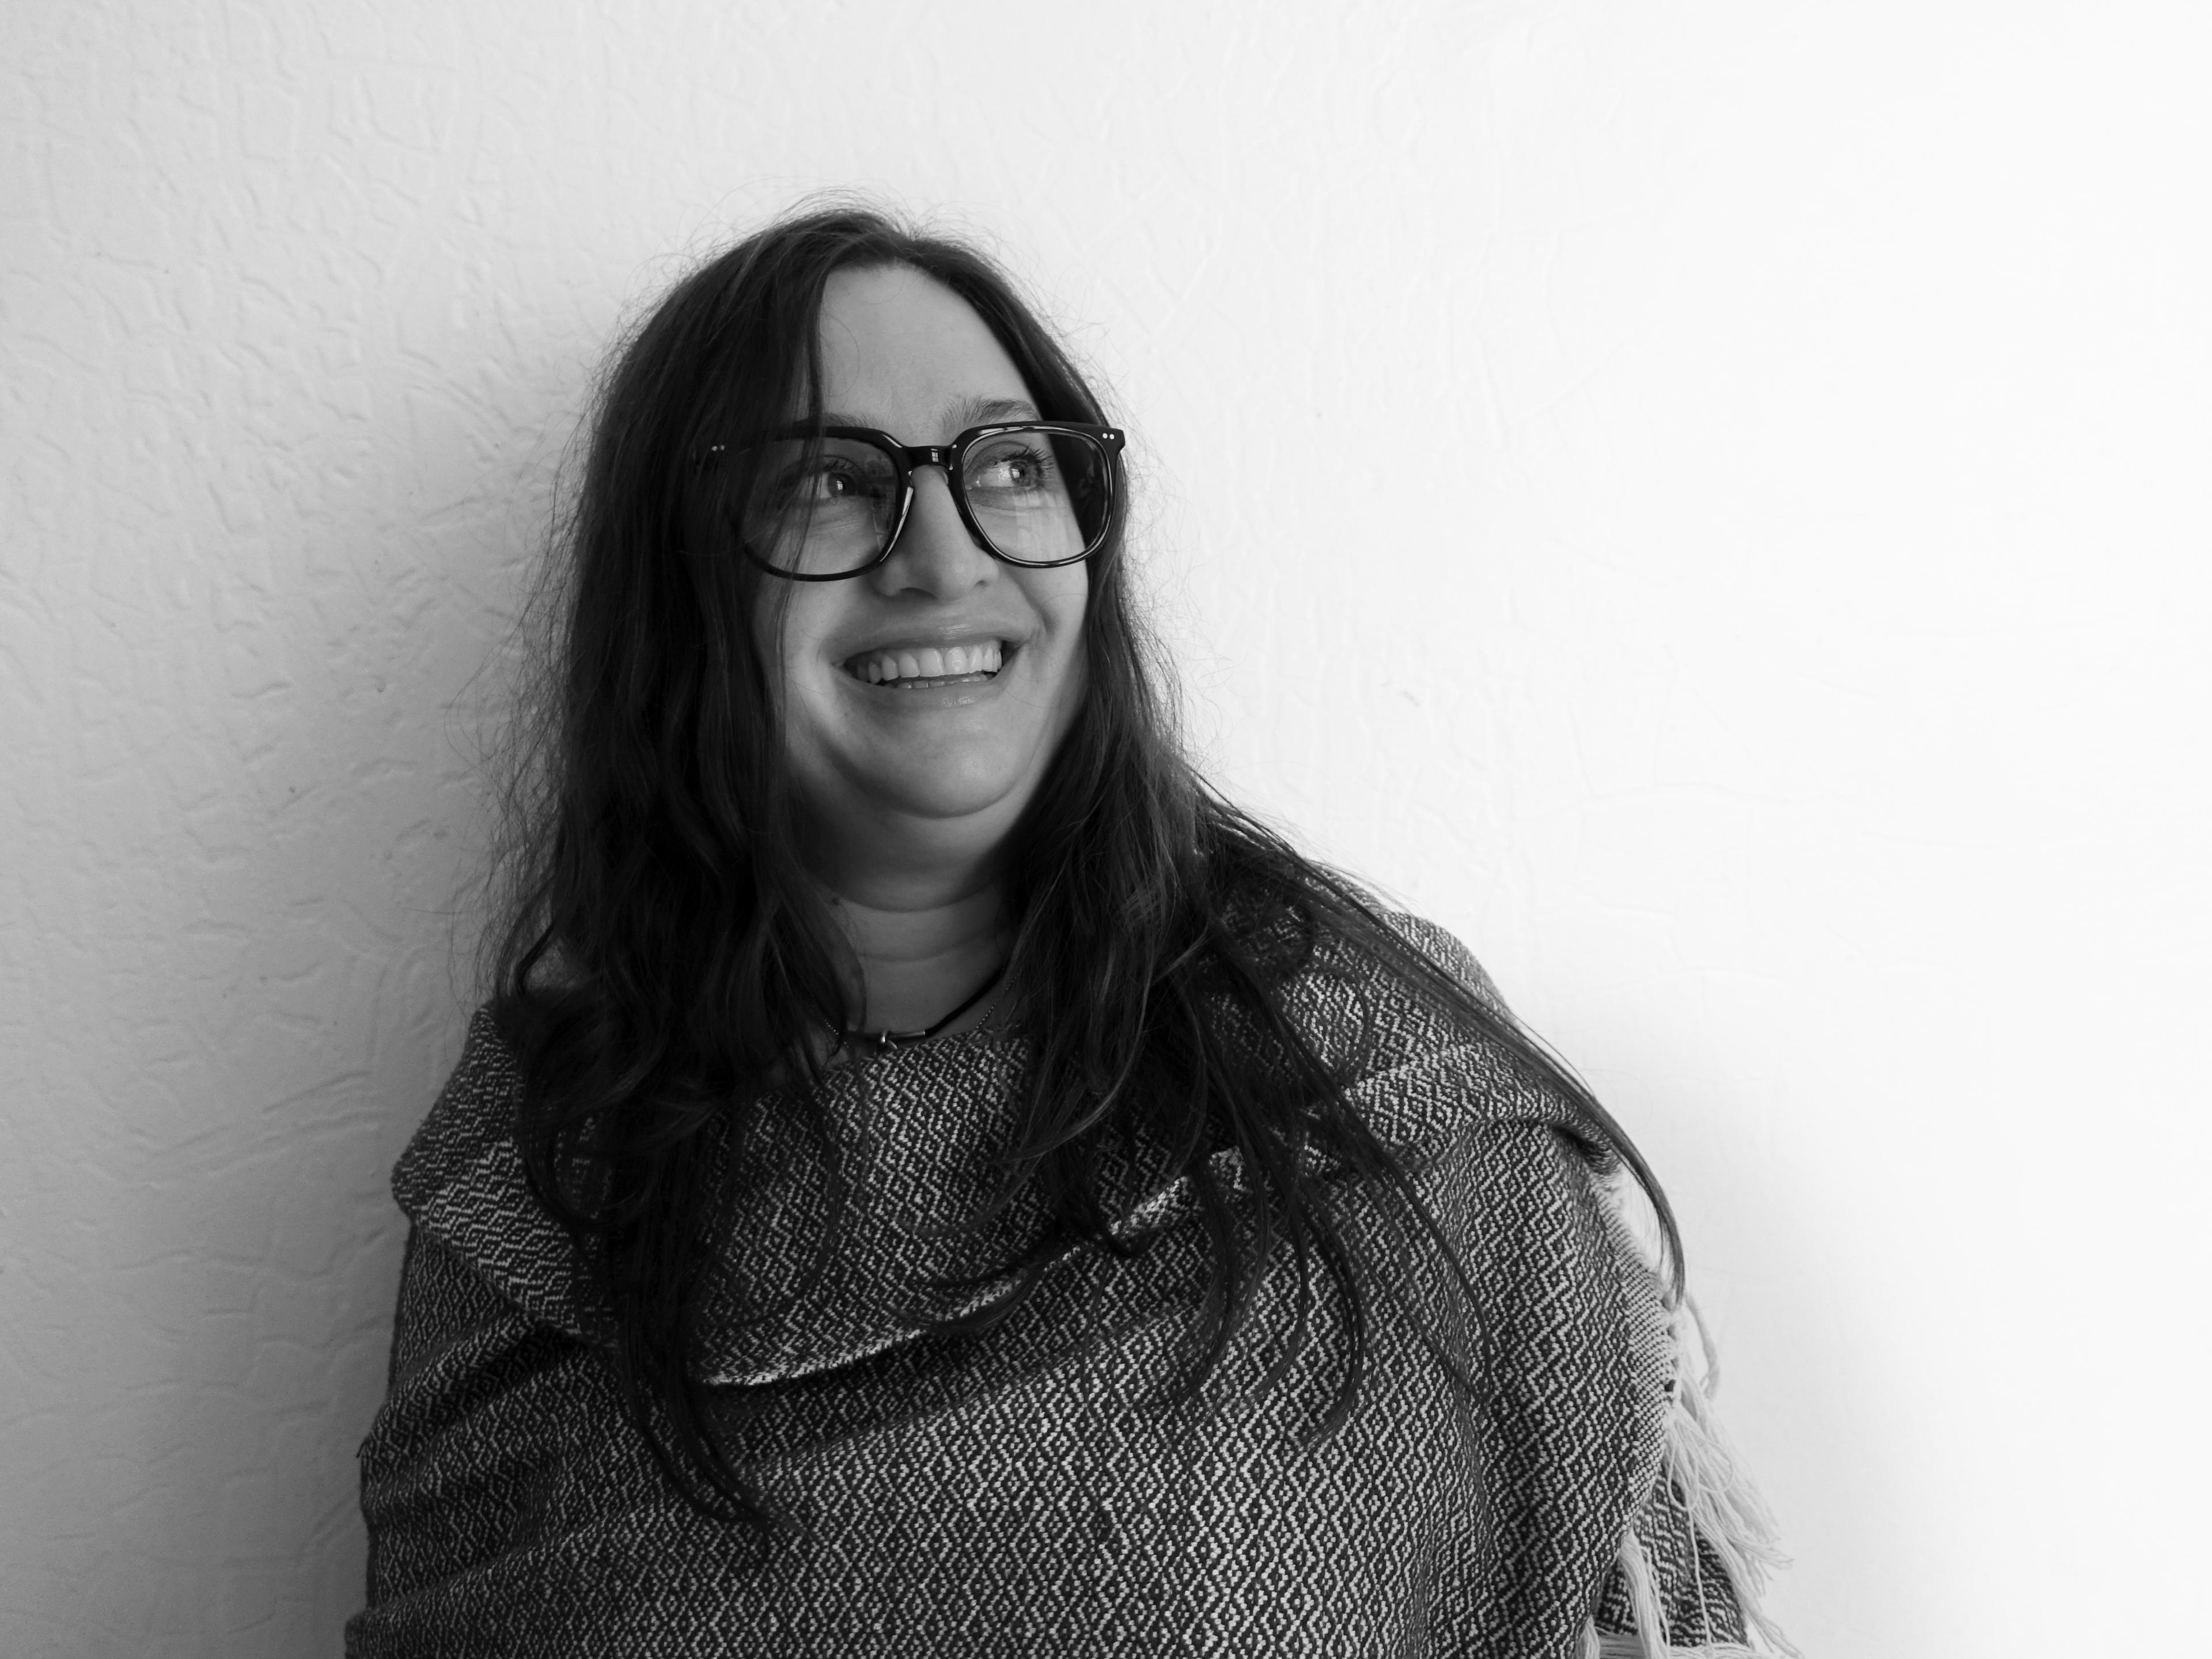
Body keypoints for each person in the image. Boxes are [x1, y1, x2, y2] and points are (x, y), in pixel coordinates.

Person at [346, 206, 1792, 1657]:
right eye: (832, 481)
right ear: (681, 587)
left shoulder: (1374, 1094)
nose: (943, 556)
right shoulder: (546, 1179)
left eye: (1013, 466)